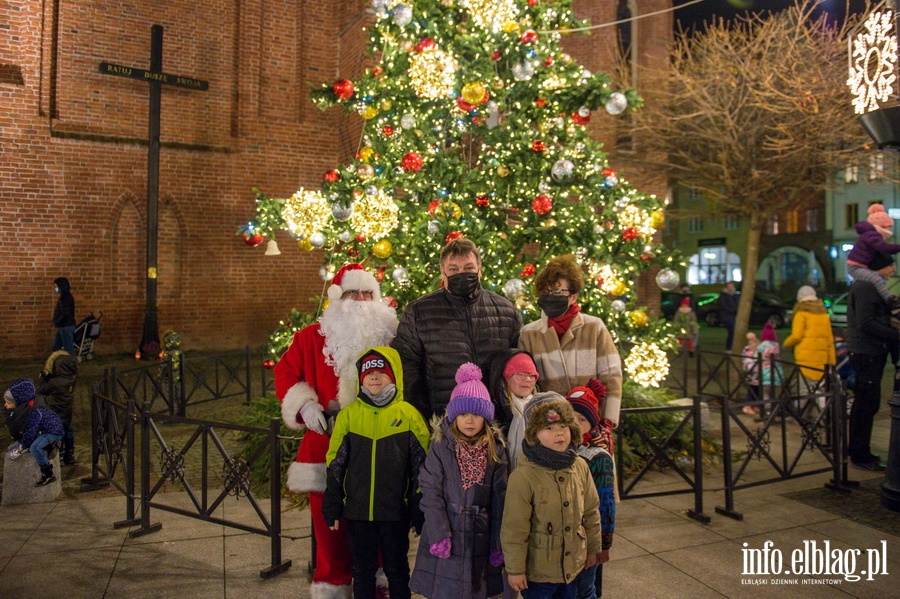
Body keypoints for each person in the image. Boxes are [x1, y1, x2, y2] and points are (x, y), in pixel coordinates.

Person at [274, 263, 399, 598]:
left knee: (380, 521)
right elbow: (286, 374)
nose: (359, 300)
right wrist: (305, 405)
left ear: (377, 297)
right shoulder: (310, 337)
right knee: (330, 528)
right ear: (336, 297)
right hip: (325, 444)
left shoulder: (393, 337)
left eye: (366, 293)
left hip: (378, 444)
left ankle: (378, 584)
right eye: (351, 293)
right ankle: (334, 585)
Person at [323, 346, 429, 599]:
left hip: (394, 512)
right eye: (369, 373)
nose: (374, 377)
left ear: (394, 377)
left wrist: (419, 506)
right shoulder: (349, 416)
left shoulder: (408, 416)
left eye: (382, 373)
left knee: (397, 568)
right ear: (361, 379)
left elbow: (421, 467)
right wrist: (333, 501)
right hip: (358, 512)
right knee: (362, 570)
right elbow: (335, 462)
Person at [394, 238, 522, 422]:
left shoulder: (507, 312)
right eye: (454, 269)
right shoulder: (419, 311)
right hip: (443, 422)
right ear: (443, 271)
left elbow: (517, 366)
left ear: (479, 269)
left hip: (497, 423)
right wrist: (423, 418)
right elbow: (407, 370)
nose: (461, 274)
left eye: (468, 268)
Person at [410, 363, 508, 599]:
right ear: (454, 415)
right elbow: (431, 491)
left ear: (486, 417)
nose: (470, 420)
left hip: (480, 535)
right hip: (448, 530)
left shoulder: (496, 450)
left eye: (476, 414)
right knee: (445, 590)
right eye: (463, 413)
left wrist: (497, 542)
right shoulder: (442, 445)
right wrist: (439, 533)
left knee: (476, 590)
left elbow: (501, 499)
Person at [501, 394, 602, 597]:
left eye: (563, 426)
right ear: (534, 434)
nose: (559, 434)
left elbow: (591, 511)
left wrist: (593, 548)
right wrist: (515, 570)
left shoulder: (580, 466)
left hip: (574, 567)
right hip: (539, 574)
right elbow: (514, 529)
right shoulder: (524, 476)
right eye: (549, 428)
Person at [519, 254, 623, 428]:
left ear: (573, 296)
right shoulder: (529, 333)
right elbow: (526, 387)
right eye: (546, 292)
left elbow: (611, 377)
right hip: (549, 429)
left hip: (590, 425)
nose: (551, 296)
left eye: (559, 292)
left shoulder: (594, 327)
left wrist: (607, 423)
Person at [846, 252, 899, 471]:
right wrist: (895, 334)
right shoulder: (866, 287)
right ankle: (860, 455)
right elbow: (866, 322)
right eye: (891, 266)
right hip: (866, 352)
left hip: (870, 352)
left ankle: (860, 451)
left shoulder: (870, 286)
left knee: (868, 403)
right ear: (882, 267)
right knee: (866, 404)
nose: (894, 270)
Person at [566, 387, 615, 599]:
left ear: (592, 423)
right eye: (571, 417)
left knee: (585, 589)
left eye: (581, 419)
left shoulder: (598, 455)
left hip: (588, 537)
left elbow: (605, 503)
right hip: (568, 538)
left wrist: (603, 544)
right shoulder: (563, 448)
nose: (575, 424)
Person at [782, 285, 836, 411]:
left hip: (805, 358)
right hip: (821, 359)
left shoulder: (801, 314)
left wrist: (785, 344)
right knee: (818, 389)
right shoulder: (824, 316)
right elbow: (829, 340)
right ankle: (819, 416)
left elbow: (796, 336)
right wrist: (831, 361)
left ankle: (802, 416)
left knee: (804, 390)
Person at [4, 378, 65, 487]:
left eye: (8, 402)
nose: (5, 405)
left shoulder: (35, 411)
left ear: (19, 401)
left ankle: (48, 474)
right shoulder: (27, 407)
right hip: (42, 430)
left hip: (51, 431)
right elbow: (26, 430)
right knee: (29, 441)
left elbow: (31, 432)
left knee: (35, 448)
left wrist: (21, 447)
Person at [488, 349, 539, 469]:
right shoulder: (493, 410)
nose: (527, 380)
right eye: (521, 375)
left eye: (532, 375)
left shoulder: (541, 407)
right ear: (506, 376)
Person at [846, 204, 900, 304]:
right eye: (888, 227)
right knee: (875, 278)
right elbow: (884, 248)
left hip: (859, 266)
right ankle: (889, 298)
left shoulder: (869, 235)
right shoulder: (872, 235)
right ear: (881, 226)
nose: (889, 230)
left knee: (876, 278)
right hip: (855, 267)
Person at [37, 350, 79, 465]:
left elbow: (41, 391)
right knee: (68, 430)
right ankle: (69, 455)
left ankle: (59, 455)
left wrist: (44, 376)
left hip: (55, 411)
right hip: (66, 410)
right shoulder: (71, 379)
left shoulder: (54, 382)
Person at [756, 323, 783, 416]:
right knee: (773, 392)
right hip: (776, 372)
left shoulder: (761, 345)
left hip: (765, 371)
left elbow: (757, 357)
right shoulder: (776, 345)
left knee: (765, 393)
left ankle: (767, 411)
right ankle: (774, 409)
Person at [52, 277, 76, 355]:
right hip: (63, 326)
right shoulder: (65, 297)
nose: (55, 288)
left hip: (66, 326)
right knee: (56, 347)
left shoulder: (65, 298)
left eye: (56, 286)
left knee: (68, 349)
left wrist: (57, 321)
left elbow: (65, 313)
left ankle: (71, 364)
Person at [740, 333, 761, 416]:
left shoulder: (757, 351)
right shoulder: (747, 351)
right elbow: (747, 363)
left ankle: (755, 404)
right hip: (751, 375)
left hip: (758, 376)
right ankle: (747, 406)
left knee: (757, 390)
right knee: (751, 390)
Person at [718, 282, 739, 351]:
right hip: (727, 316)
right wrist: (732, 310)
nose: (730, 288)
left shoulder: (735, 295)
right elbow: (723, 305)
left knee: (733, 332)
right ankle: (729, 348)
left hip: (733, 316)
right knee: (731, 331)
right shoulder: (723, 295)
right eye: (729, 286)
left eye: (732, 286)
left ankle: (731, 347)